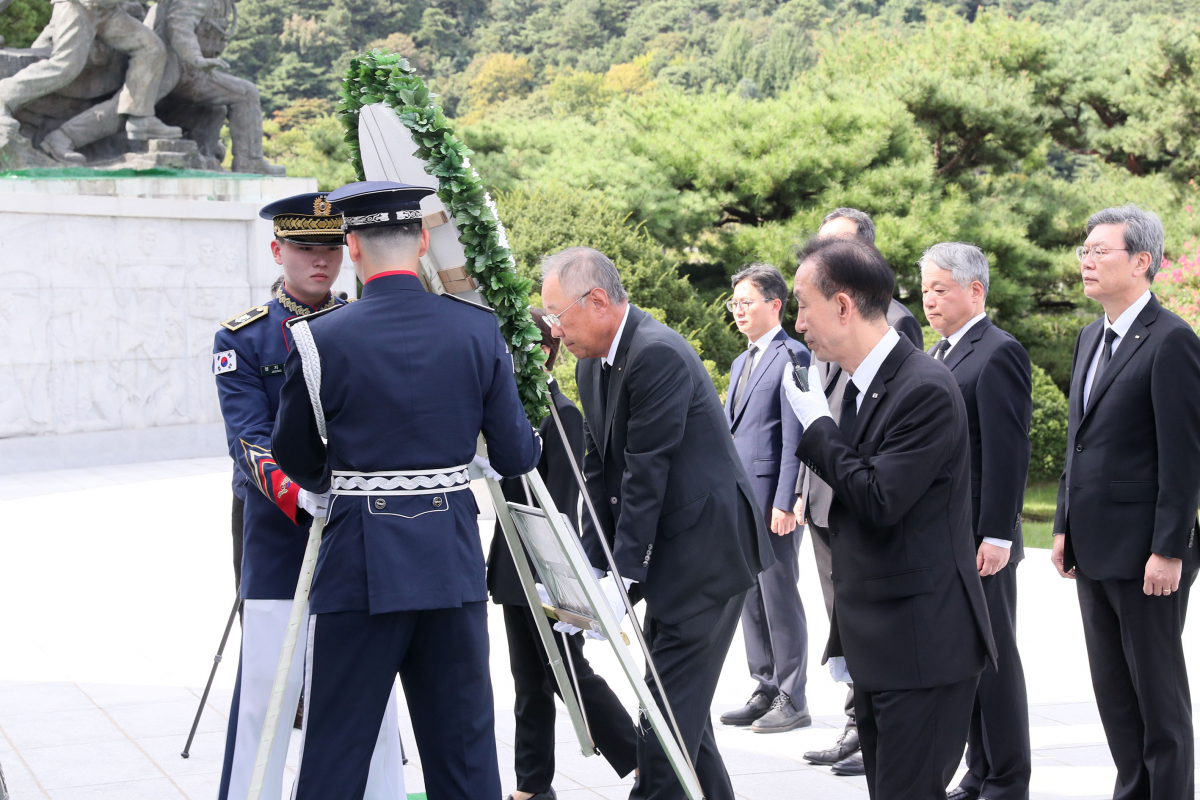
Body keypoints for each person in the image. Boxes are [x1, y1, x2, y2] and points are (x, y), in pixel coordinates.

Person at [272, 181, 542, 800]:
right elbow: (515, 454)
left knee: (336, 748)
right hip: (450, 561)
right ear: (421, 241)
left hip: (357, 563)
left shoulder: (318, 338)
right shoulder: (478, 330)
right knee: (465, 753)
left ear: (352, 246)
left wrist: (338, 477)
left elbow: (295, 454)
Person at [540, 246, 773, 800]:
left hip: (705, 555)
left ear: (596, 301)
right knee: (678, 711)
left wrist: (620, 579)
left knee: (664, 722)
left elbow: (647, 473)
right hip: (673, 553)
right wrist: (593, 572)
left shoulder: (657, 353)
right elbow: (599, 471)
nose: (553, 329)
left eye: (557, 314)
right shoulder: (591, 362)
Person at [782, 235, 995, 800]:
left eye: (805, 305)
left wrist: (815, 429)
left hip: (923, 648)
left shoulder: (922, 386)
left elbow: (879, 499)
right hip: (881, 645)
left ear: (844, 306)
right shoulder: (861, 383)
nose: (798, 322)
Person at [211, 192, 404, 800]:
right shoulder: (243, 338)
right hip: (279, 539)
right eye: (303, 248)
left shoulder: (364, 324)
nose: (319, 261)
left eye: (329, 248)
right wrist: (302, 497)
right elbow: (249, 441)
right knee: (265, 700)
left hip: (357, 538)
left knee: (365, 695)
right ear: (278, 251)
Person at [1051, 205, 1200, 800]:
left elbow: (1183, 457)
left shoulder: (1173, 341)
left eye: (1099, 251)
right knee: (1114, 694)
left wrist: (1169, 549)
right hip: (1092, 547)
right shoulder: (1092, 335)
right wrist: (1062, 522)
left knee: (1157, 697)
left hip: (1147, 558)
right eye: (1084, 250)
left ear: (1142, 261)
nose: (1086, 260)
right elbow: (1078, 439)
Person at [486, 308, 638, 800]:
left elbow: (557, 503)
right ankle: (533, 787)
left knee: (569, 674)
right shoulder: (505, 414)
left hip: (542, 566)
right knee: (529, 682)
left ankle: (642, 759)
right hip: (511, 566)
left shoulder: (562, 414)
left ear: (540, 355)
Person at [795, 207, 924, 776]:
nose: (799, 322)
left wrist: (820, 438)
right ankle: (857, 715)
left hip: (864, 497)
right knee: (837, 611)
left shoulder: (895, 336)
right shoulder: (831, 331)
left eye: (833, 249)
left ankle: (860, 719)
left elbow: (880, 469)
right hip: (830, 491)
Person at [921, 242, 1033, 800]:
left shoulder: (998, 352)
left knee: (996, 659)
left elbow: (1010, 452)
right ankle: (979, 768)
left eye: (940, 289)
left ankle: (1007, 778)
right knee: (965, 657)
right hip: (944, 533)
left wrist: (997, 534)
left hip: (980, 536)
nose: (930, 300)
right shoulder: (938, 353)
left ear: (975, 291)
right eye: (925, 290)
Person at [717, 264, 811, 734]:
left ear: (776, 304)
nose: (739, 311)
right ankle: (765, 685)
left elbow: (795, 434)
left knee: (778, 593)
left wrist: (787, 497)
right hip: (740, 497)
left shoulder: (793, 354)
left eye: (747, 302)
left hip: (772, 499)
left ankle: (793, 695)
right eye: (734, 303)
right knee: (749, 593)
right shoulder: (740, 362)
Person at [45, 0, 284, 174]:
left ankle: (219, 156)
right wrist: (196, 59)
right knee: (127, 110)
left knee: (131, 108)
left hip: (182, 66)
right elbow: (179, 24)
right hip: (176, 66)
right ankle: (63, 137)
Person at [0, 0, 182, 149]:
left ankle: (140, 117)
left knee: (152, 49)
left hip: (108, 11)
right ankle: (4, 97)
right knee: (66, 66)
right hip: (77, 7)